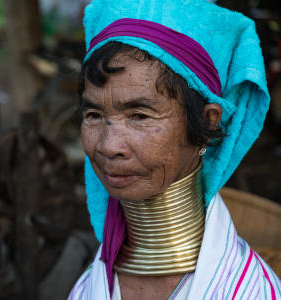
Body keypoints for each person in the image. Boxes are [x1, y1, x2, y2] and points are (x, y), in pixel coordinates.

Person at [68, 0, 281, 299]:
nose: (108, 146)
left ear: (206, 124)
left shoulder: (250, 291)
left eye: (139, 116)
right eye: (94, 116)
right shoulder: (89, 286)